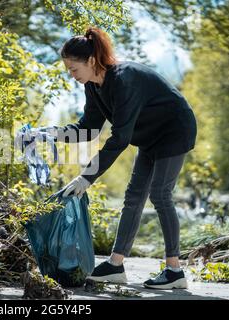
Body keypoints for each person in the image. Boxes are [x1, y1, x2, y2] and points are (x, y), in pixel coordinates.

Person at [23, 26, 197, 289]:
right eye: (68, 70)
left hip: (175, 129)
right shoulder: (93, 86)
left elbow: (119, 139)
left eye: (74, 69)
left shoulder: (124, 80)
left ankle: (175, 272)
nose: (71, 76)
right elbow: (87, 130)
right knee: (134, 197)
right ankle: (115, 265)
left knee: (160, 194)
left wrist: (86, 177)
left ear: (91, 61)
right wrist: (46, 134)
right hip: (150, 137)